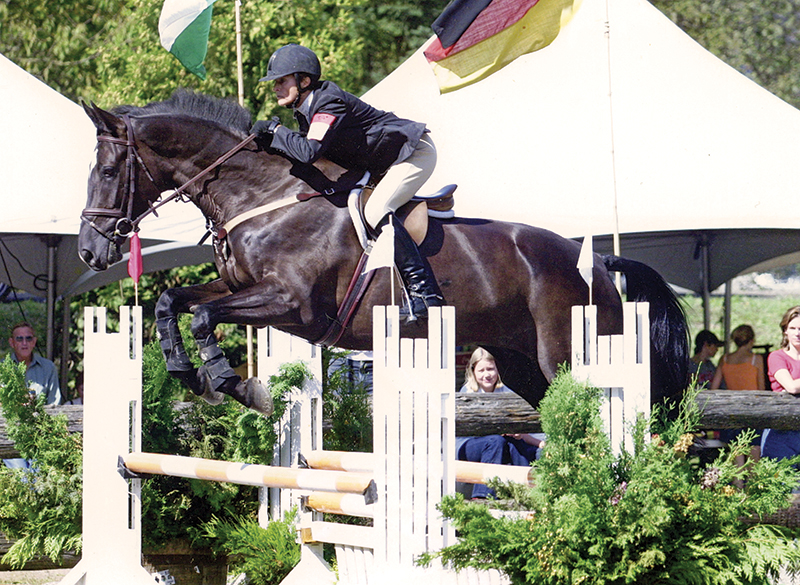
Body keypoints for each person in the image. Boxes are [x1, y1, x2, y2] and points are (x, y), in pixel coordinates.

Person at [251, 44, 443, 322]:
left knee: (375, 210)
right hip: (383, 163)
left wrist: (276, 131)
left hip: (414, 153)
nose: (276, 88)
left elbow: (308, 151)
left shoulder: (328, 101)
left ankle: (426, 294)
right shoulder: (306, 110)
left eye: (282, 81)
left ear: (304, 81)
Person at [456, 348, 545, 499]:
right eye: (481, 370)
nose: (487, 374)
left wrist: (524, 436)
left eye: (490, 369)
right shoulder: (468, 392)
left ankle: (525, 494)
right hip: (468, 445)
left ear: (498, 369)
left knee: (513, 444)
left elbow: (520, 428)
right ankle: (482, 496)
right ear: (473, 371)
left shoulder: (507, 392)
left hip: (499, 443)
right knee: (495, 441)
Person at [710, 324, 764, 482]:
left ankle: (738, 497)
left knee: (737, 462)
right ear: (752, 341)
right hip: (753, 411)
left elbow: (714, 388)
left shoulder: (725, 359)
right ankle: (753, 497)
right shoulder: (756, 359)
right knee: (754, 461)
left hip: (733, 412)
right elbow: (761, 389)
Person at [762, 306, 800, 465]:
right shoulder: (777, 356)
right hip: (781, 431)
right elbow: (790, 386)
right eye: (792, 328)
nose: (797, 333)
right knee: (784, 488)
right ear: (785, 330)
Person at [7, 322, 61, 405]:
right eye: (19, 339)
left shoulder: (48, 368)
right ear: (11, 342)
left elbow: (54, 404)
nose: (24, 343)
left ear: (34, 342)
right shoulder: (2, 368)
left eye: (28, 339)